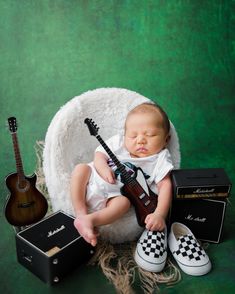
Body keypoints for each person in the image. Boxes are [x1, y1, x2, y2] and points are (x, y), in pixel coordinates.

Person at [70, 102, 173, 248]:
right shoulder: (118, 142)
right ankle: (80, 212)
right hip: (93, 178)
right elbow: (99, 155)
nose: (140, 140)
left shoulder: (160, 158)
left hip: (114, 195)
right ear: (125, 135)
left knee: (123, 204)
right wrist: (104, 168)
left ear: (166, 140)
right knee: (81, 169)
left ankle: (90, 220)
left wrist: (160, 214)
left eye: (150, 135)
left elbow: (165, 185)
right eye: (133, 136)